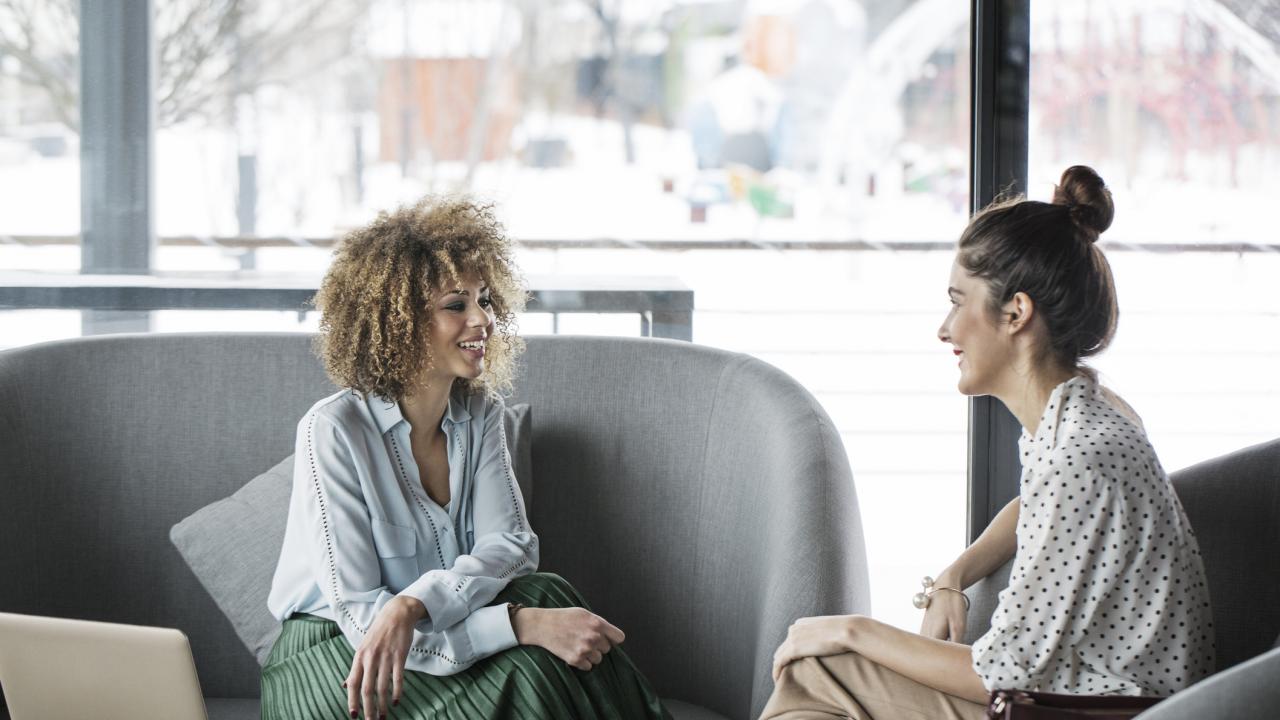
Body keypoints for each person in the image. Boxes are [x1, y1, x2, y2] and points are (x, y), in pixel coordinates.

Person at [763, 166, 1215, 719]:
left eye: (958, 302)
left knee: (818, 669)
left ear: (1016, 313)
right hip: (1077, 699)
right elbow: (1038, 510)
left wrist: (851, 628)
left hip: (1091, 713)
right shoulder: (1083, 417)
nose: (945, 328)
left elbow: (996, 672)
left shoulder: (1081, 457)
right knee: (817, 675)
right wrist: (955, 574)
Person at [264, 197, 670, 720]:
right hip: (340, 655)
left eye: (484, 300)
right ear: (399, 320)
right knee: (538, 663)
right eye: (456, 305)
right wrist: (519, 624)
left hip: (425, 623)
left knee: (547, 590)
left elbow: (513, 546)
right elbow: (363, 618)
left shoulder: (480, 413)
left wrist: (414, 604)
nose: (483, 320)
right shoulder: (334, 430)